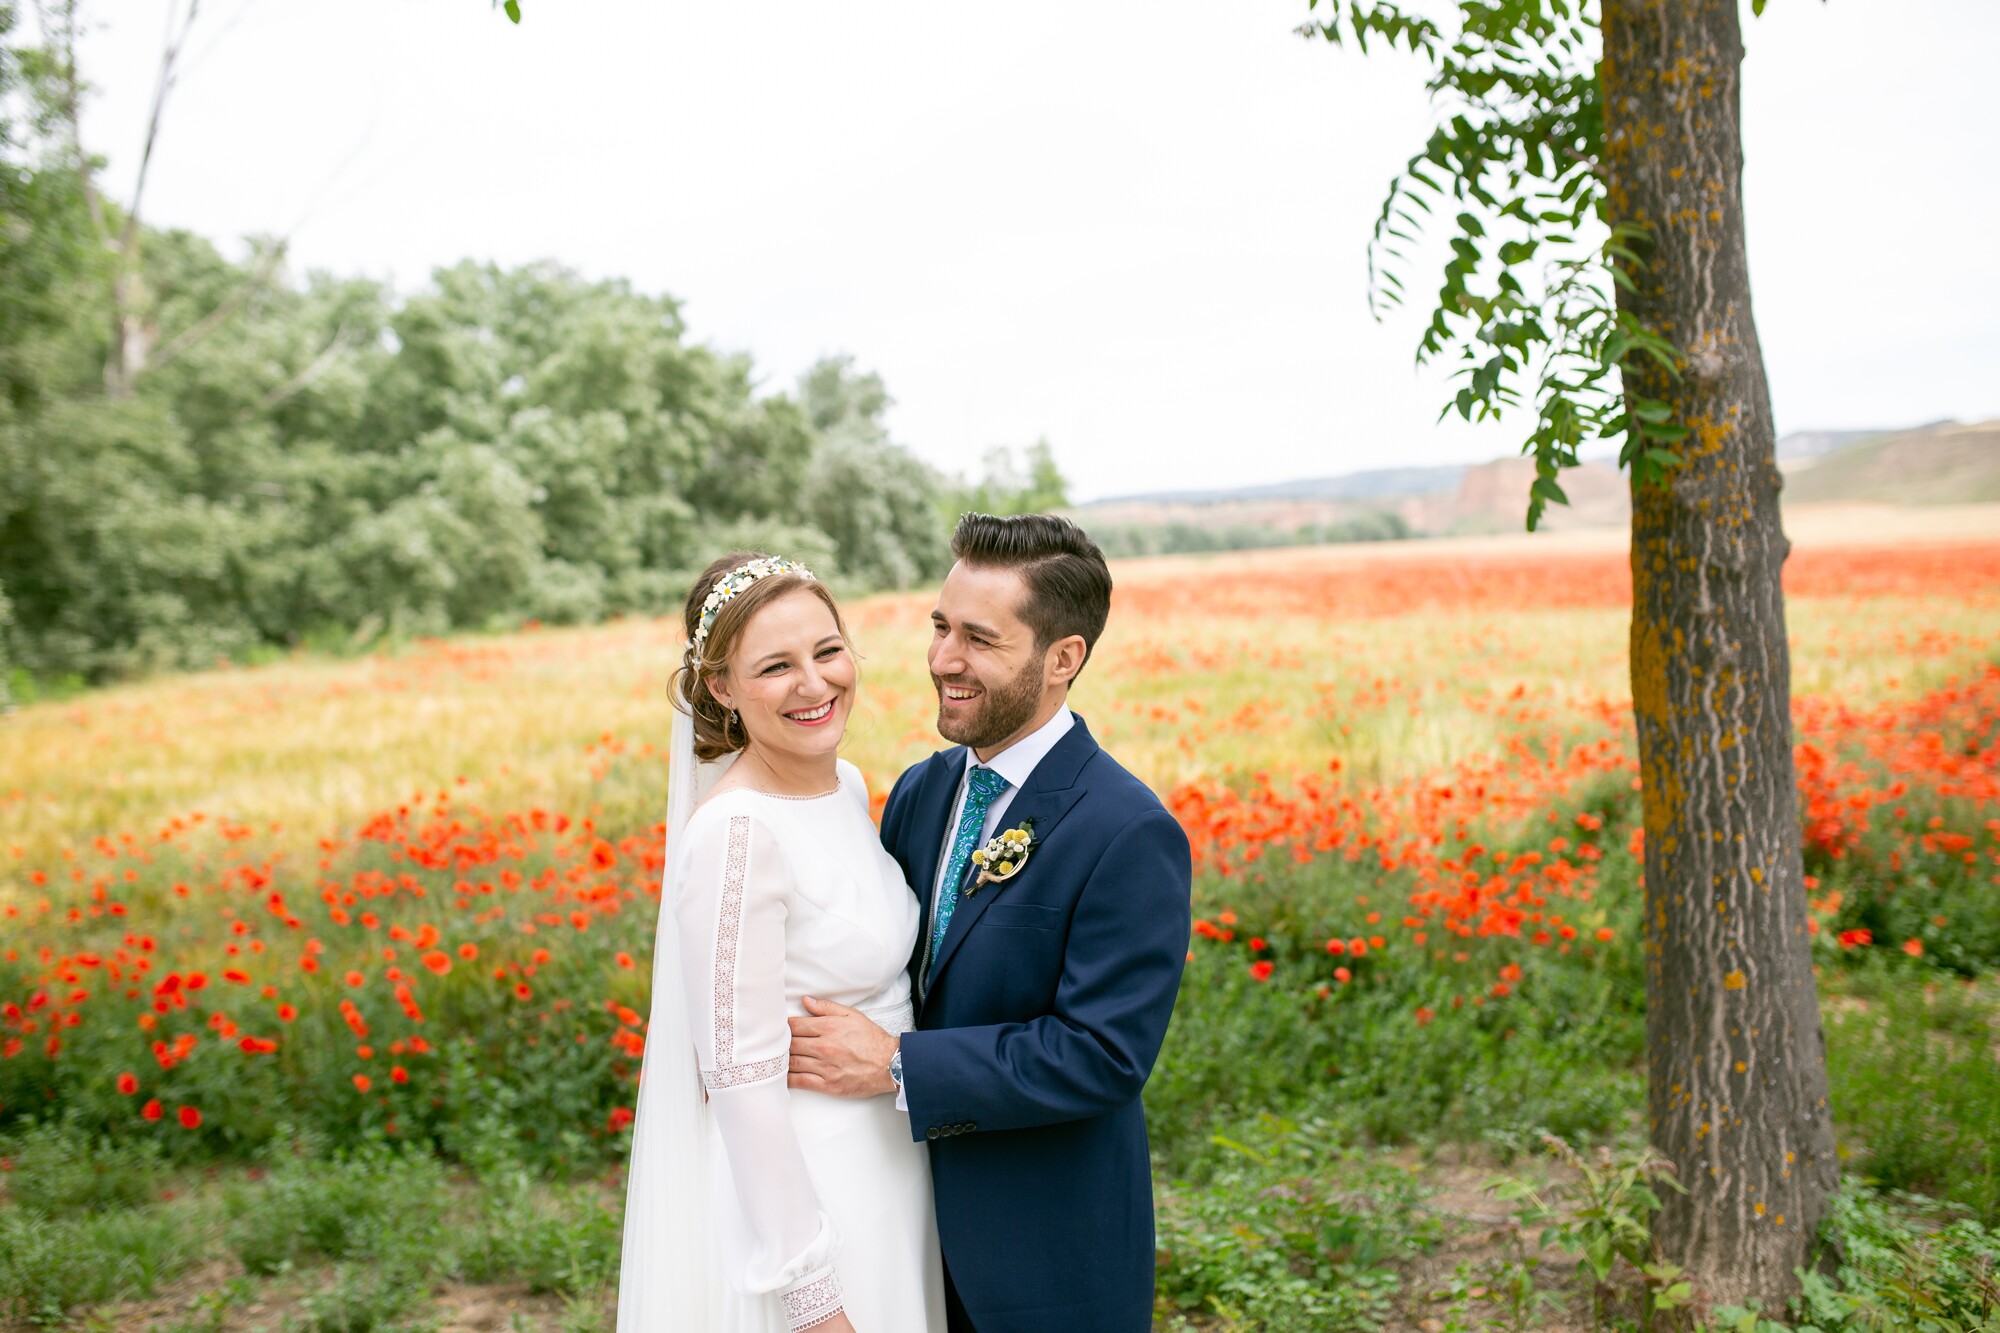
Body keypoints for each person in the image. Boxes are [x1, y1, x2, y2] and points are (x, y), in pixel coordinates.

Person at [788, 513, 1194, 1333]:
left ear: (1063, 658)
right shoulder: (919, 790)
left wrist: (901, 1065)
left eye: (979, 637)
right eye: (940, 626)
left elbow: (1103, 1054)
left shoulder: (1126, 829)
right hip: (898, 1236)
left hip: (1044, 1261)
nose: (943, 659)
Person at [616, 553, 946, 1333]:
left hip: (892, 1169)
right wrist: (811, 1298)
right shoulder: (736, 834)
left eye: (827, 651)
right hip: (810, 1200)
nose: (814, 683)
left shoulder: (849, 785)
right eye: (775, 666)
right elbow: (739, 1085)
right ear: (723, 688)